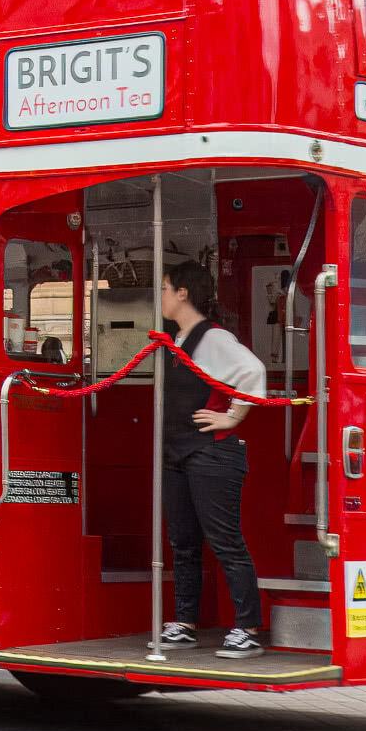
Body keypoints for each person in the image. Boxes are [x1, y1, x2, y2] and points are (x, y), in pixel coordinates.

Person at [153, 260, 269, 660]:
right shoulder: (176, 339)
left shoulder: (213, 338)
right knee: (183, 542)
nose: (162, 294)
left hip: (213, 453)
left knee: (225, 542)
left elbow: (253, 370)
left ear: (183, 292)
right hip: (178, 454)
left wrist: (232, 416)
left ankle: (248, 628)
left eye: (165, 287)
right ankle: (185, 622)